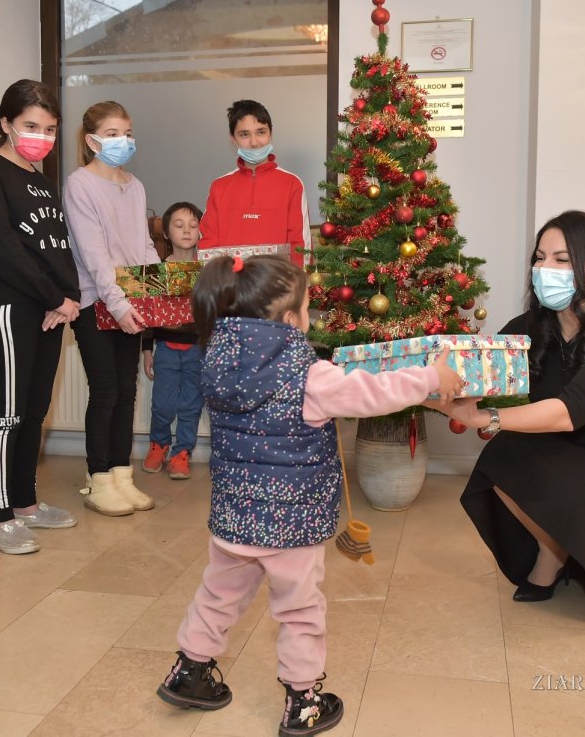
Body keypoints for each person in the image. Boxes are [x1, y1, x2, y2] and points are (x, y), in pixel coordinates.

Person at [156, 254, 464, 736]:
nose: (310, 318)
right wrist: (430, 378)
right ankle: (303, 702)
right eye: (306, 309)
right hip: (291, 524)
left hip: (234, 517)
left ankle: (189, 672)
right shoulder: (309, 376)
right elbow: (373, 392)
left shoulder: (215, 359)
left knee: (217, 595)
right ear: (288, 320)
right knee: (300, 610)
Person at [427, 210, 585, 626]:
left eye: (562, 259)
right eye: (540, 257)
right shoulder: (533, 327)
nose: (544, 268)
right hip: (569, 453)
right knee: (503, 459)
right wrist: (430, 379)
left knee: (516, 445)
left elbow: (569, 412)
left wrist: (486, 419)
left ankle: (555, 557)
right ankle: (554, 553)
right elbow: (480, 368)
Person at [0, 79, 80, 554]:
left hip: (46, 309)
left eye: (50, 129)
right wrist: (55, 295)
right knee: (7, 412)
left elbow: (56, 248)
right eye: (32, 126)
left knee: (35, 411)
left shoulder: (41, 180)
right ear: (6, 124)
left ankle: (27, 503)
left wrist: (64, 298)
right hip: (7, 307)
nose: (42, 137)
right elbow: (5, 251)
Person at [63, 101, 158, 518]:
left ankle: (122, 474)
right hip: (96, 300)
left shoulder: (135, 186)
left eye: (128, 132)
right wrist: (117, 304)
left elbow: (143, 247)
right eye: (114, 133)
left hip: (131, 302)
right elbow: (93, 253)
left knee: (127, 390)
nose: (124, 141)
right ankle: (98, 478)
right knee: (105, 390)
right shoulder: (80, 184)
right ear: (92, 140)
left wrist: (158, 289)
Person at [196, 100, 310, 267]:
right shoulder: (219, 187)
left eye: (261, 132)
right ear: (233, 139)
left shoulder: (292, 184)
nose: (254, 142)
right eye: (244, 134)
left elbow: (300, 246)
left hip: (278, 288)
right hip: (230, 288)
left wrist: (298, 288)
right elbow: (207, 246)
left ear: (271, 134)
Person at [141, 201, 203, 481]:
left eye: (193, 225)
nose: (187, 230)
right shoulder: (158, 271)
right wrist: (146, 349)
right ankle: (159, 444)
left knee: (191, 404)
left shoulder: (208, 270)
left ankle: (183, 452)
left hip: (198, 349)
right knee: (163, 404)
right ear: (166, 233)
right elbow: (148, 313)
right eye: (179, 225)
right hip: (165, 348)